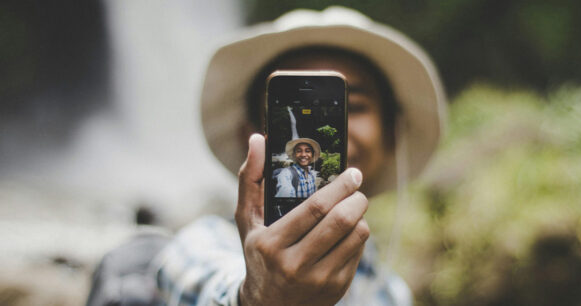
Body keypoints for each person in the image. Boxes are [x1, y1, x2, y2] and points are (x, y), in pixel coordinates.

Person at [87, 6, 446, 306]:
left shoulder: (390, 292)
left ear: (392, 133)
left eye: (351, 106)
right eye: (292, 110)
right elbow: (199, 280)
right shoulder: (203, 243)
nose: (323, 133)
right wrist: (258, 294)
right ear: (253, 137)